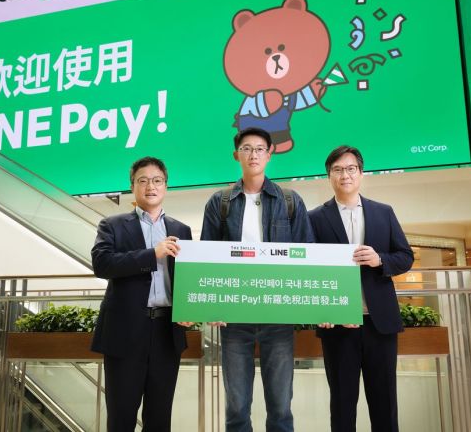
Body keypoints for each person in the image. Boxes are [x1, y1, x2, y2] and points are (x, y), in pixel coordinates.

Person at [201, 127, 314, 432]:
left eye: (260, 149)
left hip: (278, 316)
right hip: (234, 318)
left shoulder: (289, 200)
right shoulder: (220, 202)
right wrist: (213, 306)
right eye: (247, 148)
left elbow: (308, 254)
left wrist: (307, 308)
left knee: (281, 406)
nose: (253, 154)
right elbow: (207, 258)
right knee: (237, 407)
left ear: (269, 154)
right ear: (236, 154)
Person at [308, 145, 414, 432]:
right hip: (338, 326)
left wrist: (381, 260)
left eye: (350, 168)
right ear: (329, 176)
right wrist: (321, 310)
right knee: (342, 405)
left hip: (380, 325)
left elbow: (405, 256)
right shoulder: (314, 217)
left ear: (361, 173)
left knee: (384, 403)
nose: (345, 175)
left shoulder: (383, 212)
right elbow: (309, 268)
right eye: (338, 170)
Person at [91, 156, 193, 432]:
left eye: (157, 180)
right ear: (132, 186)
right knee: (121, 417)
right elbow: (102, 264)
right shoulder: (112, 225)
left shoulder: (181, 230)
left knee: (159, 418)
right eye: (143, 180)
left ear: (166, 186)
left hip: (167, 331)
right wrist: (152, 254)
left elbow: (188, 278)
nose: (151, 186)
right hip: (125, 332)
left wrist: (189, 311)